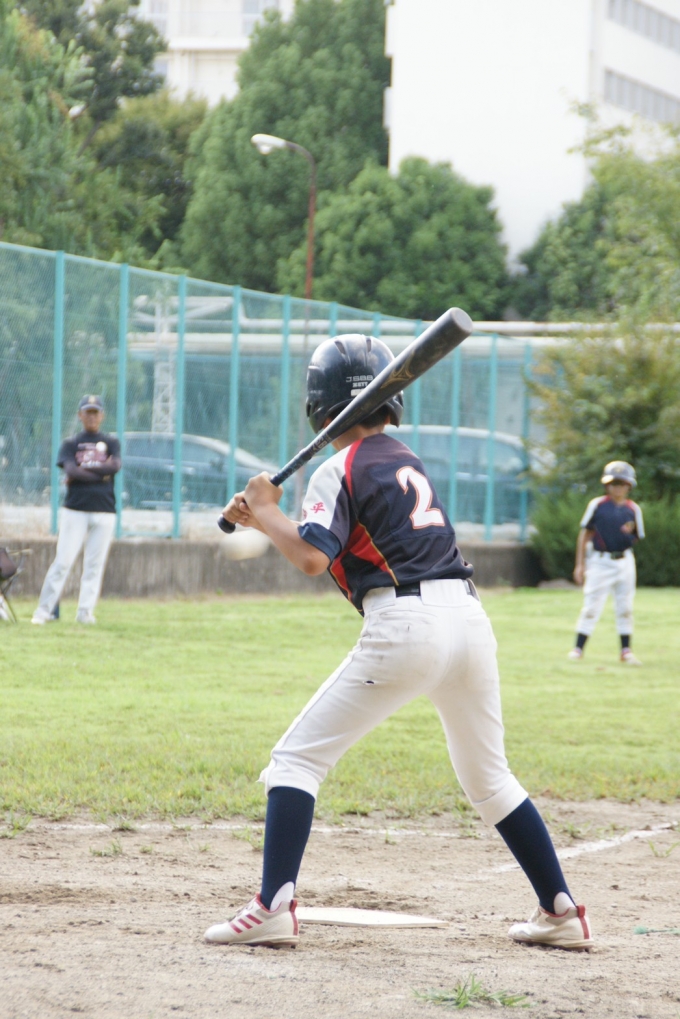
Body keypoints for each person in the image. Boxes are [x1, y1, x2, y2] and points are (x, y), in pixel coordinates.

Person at [207, 334, 592, 951]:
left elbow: (312, 557)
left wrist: (264, 508)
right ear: (391, 401)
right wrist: (268, 515)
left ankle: (272, 906)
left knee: (295, 762)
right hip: (468, 622)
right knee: (491, 779)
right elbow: (334, 536)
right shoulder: (404, 457)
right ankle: (561, 910)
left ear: (318, 408)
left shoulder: (338, 466)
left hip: (407, 626)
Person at [32, 395, 121, 626]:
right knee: (63, 562)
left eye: (95, 412)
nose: (92, 416)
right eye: (87, 412)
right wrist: (100, 474)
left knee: (94, 565)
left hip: (104, 510)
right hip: (75, 510)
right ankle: (44, 611)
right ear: (80, 415)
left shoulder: (111, 442)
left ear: (102, 416)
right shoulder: (71, 444)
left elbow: (115, 466)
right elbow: (71, 470)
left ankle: (85, 612)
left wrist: (85, 470)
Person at [568, 461, 644, 665]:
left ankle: (626, 650)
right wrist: (580, 564)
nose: (617, 488)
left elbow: (637, 536)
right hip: (600, 561)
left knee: (625, 606)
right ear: (607, 485)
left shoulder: (632, 509)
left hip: (624, 561)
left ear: (629, 485)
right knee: (591, 605)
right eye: (613, 483)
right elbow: (585, 534)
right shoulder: (598, 505)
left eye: (622, 483)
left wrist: (626, 536)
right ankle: (578, 648)